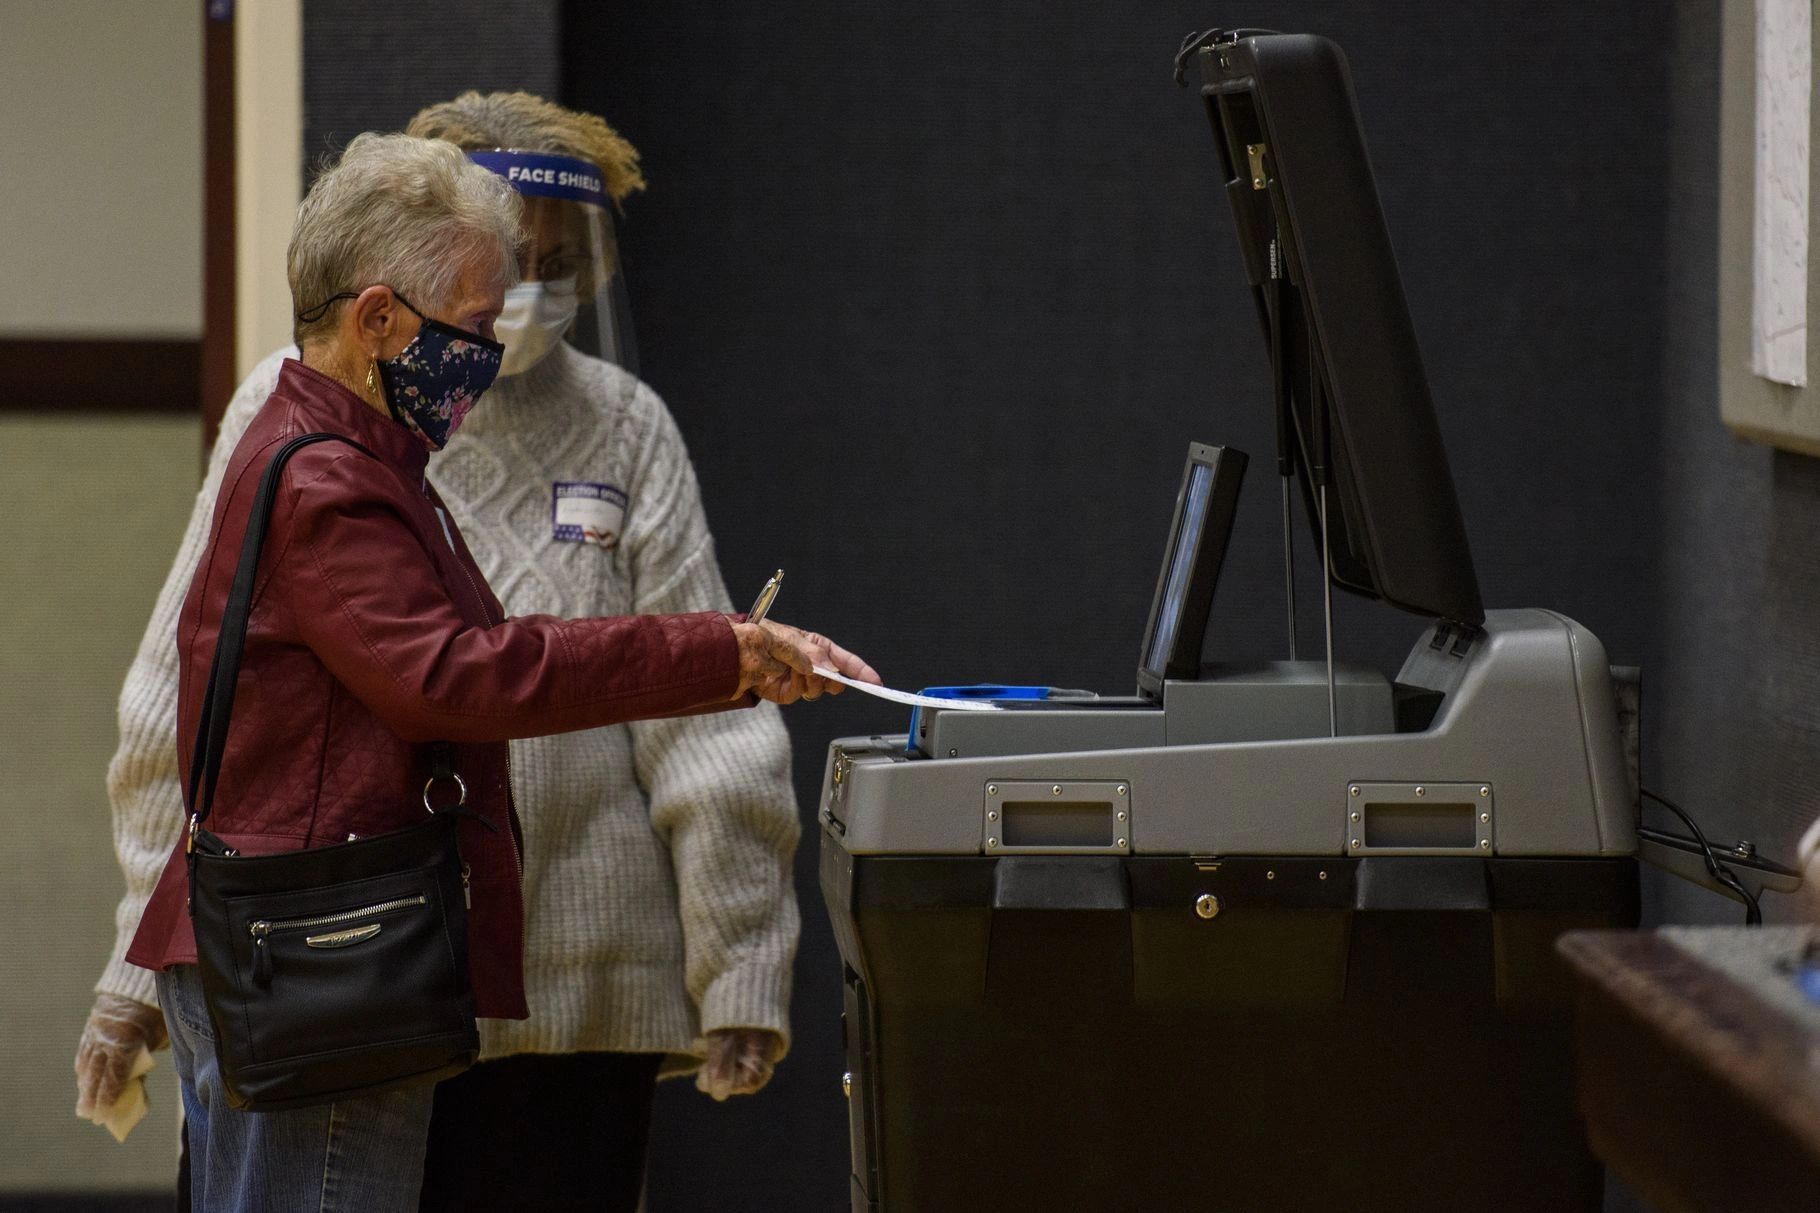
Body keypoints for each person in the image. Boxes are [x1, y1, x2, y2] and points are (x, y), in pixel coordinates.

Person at [89, 130, 875, 1211]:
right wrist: (719, 649)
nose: (491, 352)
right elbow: (455, 678)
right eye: (471, 326)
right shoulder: (330, 477)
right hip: (331, 965)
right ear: (376, 320)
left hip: (366, 966)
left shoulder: (350, 446)